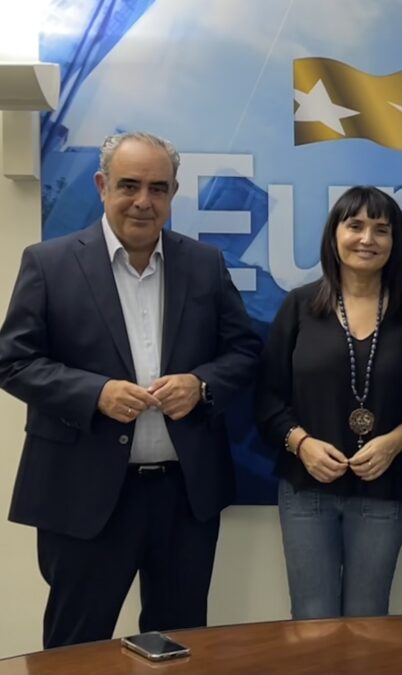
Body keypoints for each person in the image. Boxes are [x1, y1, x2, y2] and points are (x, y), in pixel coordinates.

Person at [0, 131, 261, 648]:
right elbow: (14, 362)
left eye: (158, 188)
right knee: (76, 647)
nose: (144, 201)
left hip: (182, 496)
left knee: (181, 645)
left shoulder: (204, 265)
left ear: (173, 192)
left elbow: (245, 351)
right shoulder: (49, 264)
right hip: (85, 493)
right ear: (102, 186)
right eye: (129, 185)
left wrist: (202, 384)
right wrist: (94, 393)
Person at [256, 186, 402, 619]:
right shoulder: (300, 306)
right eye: (355, 225)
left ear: (395, 243)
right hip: (307, 491)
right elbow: (267, 398)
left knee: (368, 620)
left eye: (381, 230)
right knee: (313, 619)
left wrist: (395, 442)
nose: (367, 239)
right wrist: (301, 444)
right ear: (334, 235)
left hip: (385, 490)